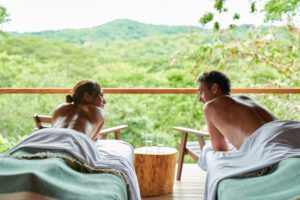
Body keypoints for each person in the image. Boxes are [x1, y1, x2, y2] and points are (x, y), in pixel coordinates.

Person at [197, 71, 277, 151]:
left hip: (266, 144)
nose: (200, 99)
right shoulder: (244, 98)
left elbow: (220, 149)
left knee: (208, 150)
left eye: (201, 92)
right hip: (285, 130)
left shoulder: (210, 106)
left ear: (214, 88)